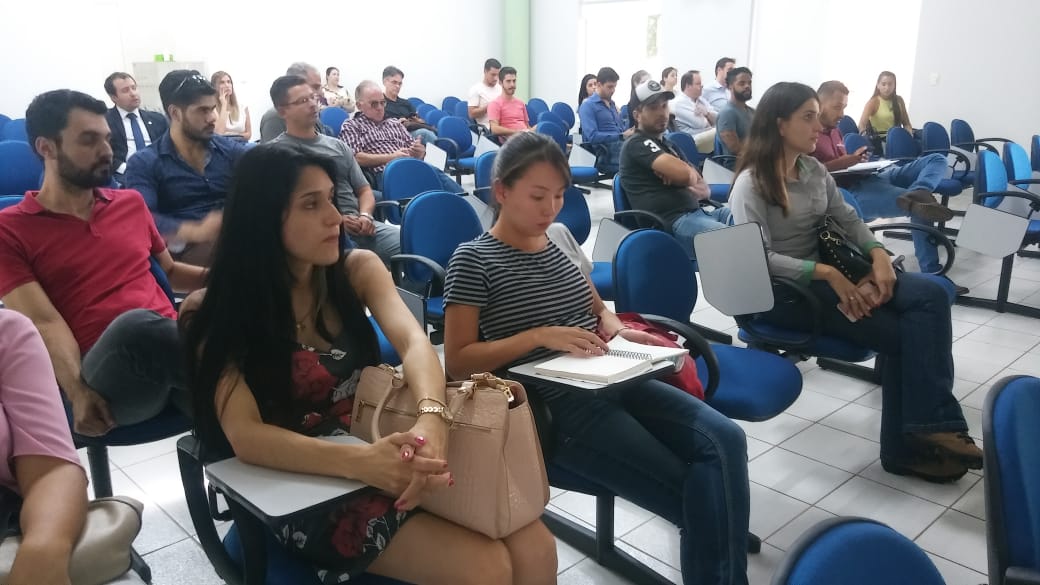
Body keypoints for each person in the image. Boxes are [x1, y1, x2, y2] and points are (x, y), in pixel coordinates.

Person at [182, 143, 557, 585]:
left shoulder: (356, 270)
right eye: (311, 204)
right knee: (486, 568)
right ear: (264, 217)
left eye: (330, 198)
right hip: (297, 479)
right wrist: (367, 465)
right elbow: (247, 436)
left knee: (536, 546)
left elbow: (416, 344)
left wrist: (431, 421)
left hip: (374, 439)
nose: (334, 217)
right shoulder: (210, 313)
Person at [443, 131, 750, 585]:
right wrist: (539, 335)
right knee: (696, 490)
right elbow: (459, 362)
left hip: (613, 376)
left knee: (726, 439)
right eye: (538, 196)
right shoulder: (473, 260)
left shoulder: (558, 238)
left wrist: (617, 327)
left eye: (560, 196)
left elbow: (595, 307)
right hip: (558, 406)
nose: (551, 208)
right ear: (502, 191)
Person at [728, 81, 982, 483]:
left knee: (931, 294)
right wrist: (825, 273)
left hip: (834, 274)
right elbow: (756, 262)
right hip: (789, 292)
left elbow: (847, 219)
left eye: (817, 116)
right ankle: (910, 445)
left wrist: (878, 255)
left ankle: (928, 427)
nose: (819, 126)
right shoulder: (751, 185)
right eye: (807, 117)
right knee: (904, 335)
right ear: (779, 125)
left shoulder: (812, 171)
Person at [0, 89, 206, 438]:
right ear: (45, 147)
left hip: (174, 355)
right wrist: (76, 392)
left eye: (107, 138)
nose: (106, 151)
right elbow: (44, 322)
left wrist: (233, 279)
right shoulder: (10, 230)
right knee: (138, 327)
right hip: (105, 379)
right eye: (89, 140)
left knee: (228, 308)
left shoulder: (130, 203)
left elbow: (170, 273)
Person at [813, 81, 966, 293]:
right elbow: (809, 172)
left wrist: (858, 162)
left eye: (845, 107)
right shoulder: (809, 134)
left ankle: (920, 188)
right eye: (837, 107)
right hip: (852, 192)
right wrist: (846, 162)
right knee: (918, 206)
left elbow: (843, 162)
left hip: (868, 176)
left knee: (936, 159)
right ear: (819, 103)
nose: (842, 113)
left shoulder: (835, 131)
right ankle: (932, 274)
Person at [269, 75, 401, 265]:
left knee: (417, 250)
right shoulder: (275, 154)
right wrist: (337, 221)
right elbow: (282, 211)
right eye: (303, 101)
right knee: (363, 267)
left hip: (361, 225)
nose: (314, 105)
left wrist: (365, 215)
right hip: (317, 233)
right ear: (282, 110)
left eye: (314, 98)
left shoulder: (338, 146)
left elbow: (364, 190)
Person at [125, 70, 252, 266]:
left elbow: (261, 180)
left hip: (238, 238)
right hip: (186, 254)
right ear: (175, 113)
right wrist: (194, 231)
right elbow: (141, 218)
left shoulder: (229, 150)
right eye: (203, 110)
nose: (212, 118)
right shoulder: (145, 162)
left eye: (213, 108)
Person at [0, 311, 89, 585]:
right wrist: (78, 392)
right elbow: (47, 320)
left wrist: (42, 555)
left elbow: (51, 471)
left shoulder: (8, 333)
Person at [621, 80, 730, 260]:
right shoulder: (637, 143)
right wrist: (685, 176)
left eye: (664, 106)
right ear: (637, 115)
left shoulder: (669, 145)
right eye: (653, 108)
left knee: (752, 226)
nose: (662, 113)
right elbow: (686, 175)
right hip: (673, 223)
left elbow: (704, 188)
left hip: (700, 212)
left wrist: (683, 176)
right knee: (738, 240)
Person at [340, 81, 463, 194]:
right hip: (386, 174)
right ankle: (463, 205)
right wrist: (391, 157)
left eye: (382, 103)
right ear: (359, 106)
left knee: (433, 172)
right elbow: (355, 158)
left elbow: (413, 148)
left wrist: (420, 152)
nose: (379, 107)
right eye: (373, 104)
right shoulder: (352, 125)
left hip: (411, 167)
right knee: (431, 180)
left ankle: (464, 203)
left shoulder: (394, 123)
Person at [102, 72, 167, 183]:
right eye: (125, 90)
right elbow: (103, 154)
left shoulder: (158, 119)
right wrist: (130, 169)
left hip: (158, 172)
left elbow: (167, 148)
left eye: (134, 88)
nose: (133, 93)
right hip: (123, 175)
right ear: (113, 97)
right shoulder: (105, 121)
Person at [260, 63, 336, 143]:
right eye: (315, 87)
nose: (321, 92)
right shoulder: (274, 118)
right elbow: (273, 153)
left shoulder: (311, 113)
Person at [577, 67, 632, 174]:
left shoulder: (612, 104)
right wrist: (621, 136)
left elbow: (620, 130)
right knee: (642, 164)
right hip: (605, 154)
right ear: (598, 85)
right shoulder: (587, 106)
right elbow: (592, 137)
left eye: (614, 87)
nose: (612, 90)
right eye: (609, 87)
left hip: (620, 147)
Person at [381, 65, 437, 145]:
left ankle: (442, 155)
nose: (397, 86)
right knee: (425, 133)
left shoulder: (405, 103)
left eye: (400, 84)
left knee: (428, 132)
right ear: (385, 82)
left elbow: (419, 120)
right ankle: (443, 156)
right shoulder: (380, 103)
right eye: (394, 82)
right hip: (394, 136)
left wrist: (417, 120)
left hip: (412, 131)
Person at [858, 71, 913, 142]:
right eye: (883, 84)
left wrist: (909, 134)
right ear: (878, 85)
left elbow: (906, 123)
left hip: (898, 138)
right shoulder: (873, 102)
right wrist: (865, 137)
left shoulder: (899, 100)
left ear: (894, 86)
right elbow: (861, 124)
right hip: (880, 141)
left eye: (890, 84)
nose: (887, 88)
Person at [672, 70, 717, 153]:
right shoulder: (679, 103)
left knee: (724, 129)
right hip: (692, 140)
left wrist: (706, 113)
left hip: (706, 135)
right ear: (688, 86)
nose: (702, 86)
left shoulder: (700, 100)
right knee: (722, 131)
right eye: (698, 84)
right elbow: (701, 124)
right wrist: (709, 119)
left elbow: (718, 119)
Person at [716, 67, 753, 158]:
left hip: (753, 162)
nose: (747, 86)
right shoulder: (727, 113)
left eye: (749, 83)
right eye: (742, 83)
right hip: (736, 167)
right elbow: (736, 149)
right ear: (730, 86)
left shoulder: (752, 112)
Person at [488, 66, 532, 140]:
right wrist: (517, 132)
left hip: (525, 137)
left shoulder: (520, 103)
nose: (512, 84)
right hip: (511, 142)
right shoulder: (494, 104)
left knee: (542, 127)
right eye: (508, 81)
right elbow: (494, 129)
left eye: (514, 81)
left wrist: (531, 132)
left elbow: (527, 126)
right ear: (501, 83)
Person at [211, 70, 251, 141]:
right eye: (222, 82)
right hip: (223, 146)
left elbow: (248, 134)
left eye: (229, 82)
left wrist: (231, 135)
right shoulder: (212, 109)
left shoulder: (242, 107)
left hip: (241, 144)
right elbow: (219, 134)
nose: (227, 85)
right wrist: (224, 105)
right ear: (215, 87)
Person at [467, 58, 503, 129]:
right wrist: (490, 106)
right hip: (488, 128)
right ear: (485, 72)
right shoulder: (476, 89)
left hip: (504, 124)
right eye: (493, 74)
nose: (496, 78)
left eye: (498, 75)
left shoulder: (500, 88)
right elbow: (471, 114)